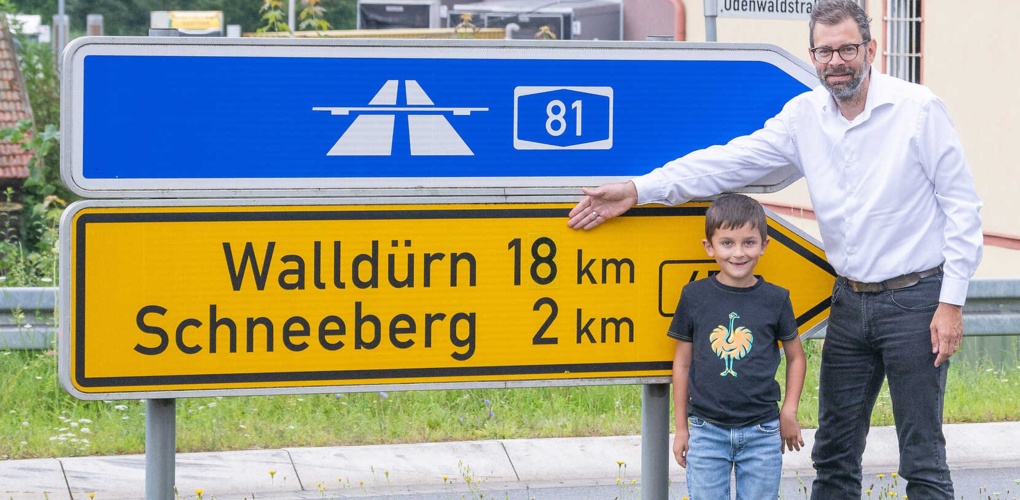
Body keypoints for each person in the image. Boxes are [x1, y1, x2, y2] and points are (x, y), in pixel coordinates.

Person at [566, 0, 983, 498]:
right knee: (833, 454)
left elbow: (963, 209)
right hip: (849, 301)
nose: (837, 61)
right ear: (812, 56)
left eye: (848, 49)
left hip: (916, 302)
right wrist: (639, 189)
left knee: (923, 458)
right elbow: (728, 163)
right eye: (825, 51)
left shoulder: (918, 109)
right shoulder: (804, 117)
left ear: (870, 49)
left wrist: (950, 303)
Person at [670, 193, 806, 500]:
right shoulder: (694, 296)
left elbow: (796, 357)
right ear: (710, 246)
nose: (738, 253)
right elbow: (682, 363)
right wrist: (681, 428)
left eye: (749, 242)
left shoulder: (776, 299)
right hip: (706, 431)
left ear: (764, 245)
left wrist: (789, 410)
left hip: (762, 431)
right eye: (727, 243)